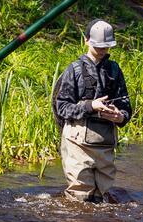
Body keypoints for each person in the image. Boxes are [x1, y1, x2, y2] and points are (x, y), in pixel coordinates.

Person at [53, 19, 132, 202]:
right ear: (86, 40)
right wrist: (90, 106)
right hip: (77, 143)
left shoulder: (114, 70)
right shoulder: (73, 70)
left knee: (102, 198)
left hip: (105, 143)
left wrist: (120, 117)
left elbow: (126, 107)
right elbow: (61, 107)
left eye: (106, 46)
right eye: (98, 46)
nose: (103, 50)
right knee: (79, 197)